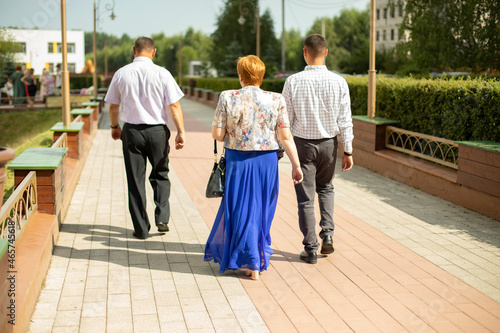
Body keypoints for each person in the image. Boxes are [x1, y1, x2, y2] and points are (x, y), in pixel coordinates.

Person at [204, 55, 303, 280]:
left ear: (241, 75)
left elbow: (218, 135)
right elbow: (285, 136)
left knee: (239, 209)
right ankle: (255, 259)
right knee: (260, 209)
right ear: (261, 75)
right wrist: (296, 165)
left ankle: (248, 259)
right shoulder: (276, 99)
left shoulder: (228, 97)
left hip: (238, 160)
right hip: (266, 162)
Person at [282, 34, 354, 264]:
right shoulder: (339, 82)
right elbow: (345, 119)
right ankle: (328, 234)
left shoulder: (292, 81)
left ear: (305, 52)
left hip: (302, 145)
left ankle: (311, 249)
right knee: (326, 189)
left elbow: (284, 120)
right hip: (329, 145)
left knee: (305, 198)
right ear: (326, 52)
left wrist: (280, 148)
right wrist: (348, 150)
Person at [104, 37, 186, 240]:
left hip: (131, 132)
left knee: (135, 180)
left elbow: (113, 105)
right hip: (157, 131)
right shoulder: (162, 73)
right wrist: (180, 131)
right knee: (160, 174)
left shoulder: (121, 73)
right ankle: (162, 218)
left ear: (134, 50)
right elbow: (174, 106)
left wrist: (115, 127)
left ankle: (141, 229)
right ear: (154, 52)